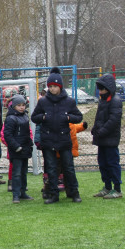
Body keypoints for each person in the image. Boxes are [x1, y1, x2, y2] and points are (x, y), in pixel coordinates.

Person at [31, 67, 83, 204]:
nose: (52, 89)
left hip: (64, 139)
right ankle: (53, 194)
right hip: (48, 140)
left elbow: (78, 117)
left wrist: (67, 118)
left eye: (55, 86)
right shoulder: (43, 102)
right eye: (50, 86)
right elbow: (34, 117)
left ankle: (74, 192)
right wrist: (43, 117)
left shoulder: (69, 102)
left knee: (68, 167)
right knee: (52, 169)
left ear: (60, 87)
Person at [91, 74, 123, 198]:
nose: (100, 91)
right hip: (102, 139)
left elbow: (114, 120)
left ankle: (117, 189)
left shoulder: (115, 101)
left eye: (102, 88)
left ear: (108, 88)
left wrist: (102, 131)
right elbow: (100, 117)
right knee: (103, 163)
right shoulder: (103, 100)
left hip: (110, 139)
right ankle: (107, 186)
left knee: (112, 163)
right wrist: (95, 129)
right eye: (99, 89)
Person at [2, 95, 34, 204]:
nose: (21, 107)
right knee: (16, 172)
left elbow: (26, 133)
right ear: (14, 106)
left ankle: (23, 192)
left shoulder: (25, 116)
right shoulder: (10, 118)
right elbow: (8, 135)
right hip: (16, 150)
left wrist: (29, 144)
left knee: (24, 172)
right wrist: (16, 146)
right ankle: (16, 194)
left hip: (24, 149)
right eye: (19, 105)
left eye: (23, 105)